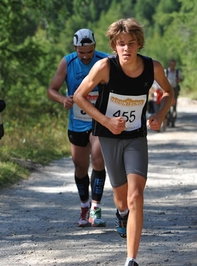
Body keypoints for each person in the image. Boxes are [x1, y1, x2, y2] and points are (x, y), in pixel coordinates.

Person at [73, 18, 173, 266]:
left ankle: (131, 259)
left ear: (139, 44)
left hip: (136, 137)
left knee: (136, 194)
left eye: (131, 43)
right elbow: (79, 96)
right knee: (121, 197)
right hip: (109, 137)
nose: (126, 48)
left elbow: (169, 92)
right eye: (121, 44)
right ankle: (121, 215)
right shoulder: (105, 67)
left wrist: (159, 114)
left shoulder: (153, 67)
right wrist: (106, 121)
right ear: (114, 46)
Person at [47, 29, 108, 227]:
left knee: (98, 159)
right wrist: (63, 99)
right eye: (81, 52)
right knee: (80, 166)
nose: (85, 56)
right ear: (75, 48)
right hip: (77, 121)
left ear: (94, 48)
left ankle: (96, 209)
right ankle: (84, 205)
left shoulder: (104, 60)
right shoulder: (67, 62)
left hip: (98, 120)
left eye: (89, 52)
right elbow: (51, 89)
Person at [164, 59, 183, 127]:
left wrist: (179, 80)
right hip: (167, 90)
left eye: (173, 64)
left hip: (174, 90)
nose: (172, 66)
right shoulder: (166, 71)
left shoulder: (177, 72)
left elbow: (181, 78)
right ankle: (168, 119)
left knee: (174, 106)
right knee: (167, 105)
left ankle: (173, 121)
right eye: (171, 64)